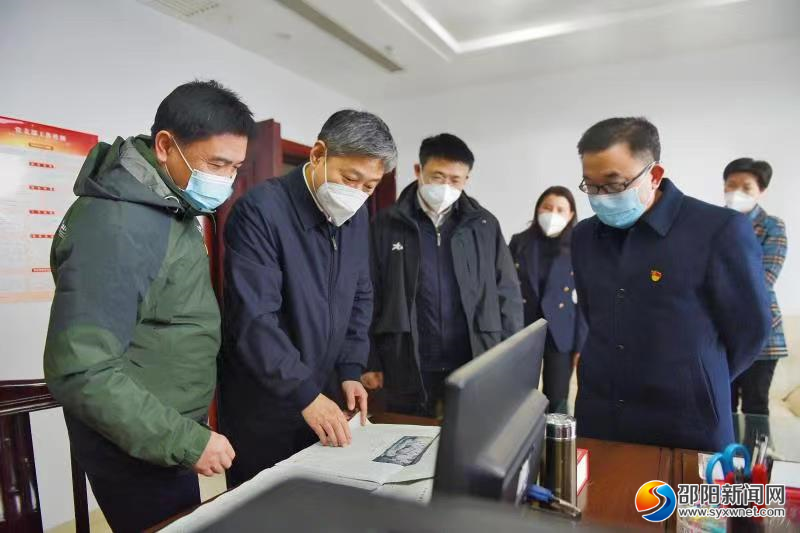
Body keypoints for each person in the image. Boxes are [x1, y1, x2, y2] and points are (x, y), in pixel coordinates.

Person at [43, 80, 255, 532]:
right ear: (165, 146)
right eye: (216, 164)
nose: (226, 179)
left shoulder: (169, 205)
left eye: (235, 167)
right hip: (138, 441)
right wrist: (184, 440)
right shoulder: (119, 224)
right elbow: (82, 368)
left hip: (161, 432)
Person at [571, 117, 771, 451]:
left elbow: (751, 330)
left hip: (687, 424)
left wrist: (697, 378)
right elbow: (595, 315)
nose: (601, 197)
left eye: (614, 184)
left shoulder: (718, 230)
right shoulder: (584, 237)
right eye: (591, 186)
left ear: (654, 175)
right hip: (601, 416)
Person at [220, 110, 396, 486]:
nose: (357, 194)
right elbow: (254, 320)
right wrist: (304, 393)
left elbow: (360, 295)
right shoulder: (260, 211)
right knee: (265, 504)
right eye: (350, 178)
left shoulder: (355, 217)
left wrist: (350, 370)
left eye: (370, 186)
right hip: (267, 402)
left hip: (322, 397)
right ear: (318, 154)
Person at [363, 133, 523, 417]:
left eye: (455, 179)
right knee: (407, 436)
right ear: (418, 171)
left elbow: (507, 293)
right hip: (405, 358)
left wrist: (507, 357)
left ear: (466, 180)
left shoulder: (484, 225)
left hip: (473, 355)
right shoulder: (386, 224)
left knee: (470, 435)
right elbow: (368, 294)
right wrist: (369, 360)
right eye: (438, 177)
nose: (446, 186)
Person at [509, 187, 587, 414]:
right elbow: (505, 289)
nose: (553, 214)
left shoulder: (580, 247)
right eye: (547, 207)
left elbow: (586, 300)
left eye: (560, 209)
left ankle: (554, 437)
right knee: (521, 398)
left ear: (571, 215)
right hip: (524, 329)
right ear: (538, 209)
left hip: (561, 332)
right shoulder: (519, 242)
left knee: (557, 400)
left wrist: (581, 344)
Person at [723, 158, 788, 415]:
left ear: (761, 191)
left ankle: (756, 445)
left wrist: (718, 280)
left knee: (755, 407)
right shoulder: (711, 224)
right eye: (731, 185)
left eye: (746, 187)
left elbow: (764, 278)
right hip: (720, 335)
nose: (736, 192)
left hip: (762, 337)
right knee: (720, 407)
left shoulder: (772, 226)